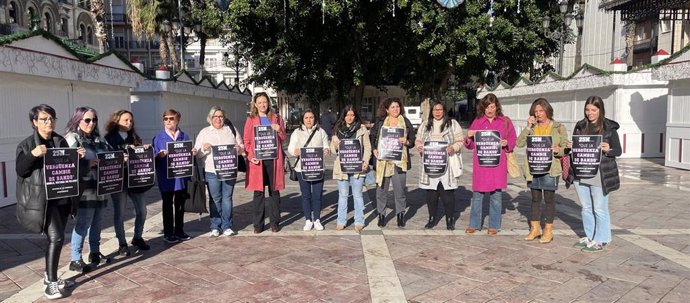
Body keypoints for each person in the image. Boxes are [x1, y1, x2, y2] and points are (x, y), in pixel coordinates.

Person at [16, 104, 82, 299]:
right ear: (34, 122)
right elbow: (21, 170)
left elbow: (70, 169)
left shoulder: (60, 141)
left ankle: (49, 276)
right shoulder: (27, 145)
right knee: (56, 238)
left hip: (62, 197)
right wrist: (33, 155)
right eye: (44, 119)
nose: (49, 122)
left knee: (58, 238)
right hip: (45, 201)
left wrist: (78, 157)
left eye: (52, 118)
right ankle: (51, 283)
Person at [569, 96, 621, 252]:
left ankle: (602, 238)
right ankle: (591, 236)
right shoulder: (580, 126)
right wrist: (571, 146)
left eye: (593, 110)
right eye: (587, 109)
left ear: (600, 110)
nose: (590, 113)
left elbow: (618, 150)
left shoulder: (609, 128)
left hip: (599, 174)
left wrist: (608, 149)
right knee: (586, 207)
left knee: (599, 208)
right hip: (581, 172)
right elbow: (576, 148)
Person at [65, 107, 113, 272]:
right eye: (87, 120)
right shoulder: (72, 138)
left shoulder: (99, 140)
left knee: (98, 222)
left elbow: (110, 156)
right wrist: (86, 163)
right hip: (84, 189)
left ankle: (94, 252)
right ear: (78, 120)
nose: (91, 123)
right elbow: (65, 163)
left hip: (101, 188)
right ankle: (75, 259)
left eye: (94, 120)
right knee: (83, 223)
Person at [516, 98, 569, 243]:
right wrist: (527, 127)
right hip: (533, 168)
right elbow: (519, 143)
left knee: (549, 199)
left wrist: (559, 150)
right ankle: (535, 228)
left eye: (541, 110)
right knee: (535, 199)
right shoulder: (532, 127)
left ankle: (548, 230)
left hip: (550, 168)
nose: (538, 114)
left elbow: (566, 147)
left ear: (547, 110)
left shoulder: (558, 127)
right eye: (535, 111)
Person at [464, 93, 516, 235]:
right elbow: (470, 145)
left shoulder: (505, 121)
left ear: (496, 107)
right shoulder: (478, 121)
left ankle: (494, 225)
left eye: (492, 107)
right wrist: (468, 137)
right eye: (487, 107)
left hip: (497, 165)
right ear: (483, 108)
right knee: (477, 197)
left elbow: (513, 138)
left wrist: (507, 143)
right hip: (481, 165)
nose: (489, 110)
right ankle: (474, 224)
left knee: (496, 197)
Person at [104, 110, 151, 256]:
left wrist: (144, 149)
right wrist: (122, 156)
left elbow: (139, 155)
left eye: (131, 120)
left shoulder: (134, 136)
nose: (129, 123)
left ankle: (137, 237)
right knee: (120, 213)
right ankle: (122, 243)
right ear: (116, 121)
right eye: (125, 120)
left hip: (135, 179)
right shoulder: (109, 138)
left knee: (142, 211)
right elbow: (107, 158)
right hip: (119, 179)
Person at [195, 106, 243, 237]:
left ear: (224, 118)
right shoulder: (204, 132)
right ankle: (215, 226)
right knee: (215, 199)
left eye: (221, 116)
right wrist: (204, 149)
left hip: (229, 170)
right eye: (215, 116)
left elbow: (242, 145)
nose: (218, 119)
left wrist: (238, 149)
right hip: (212, 171)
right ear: (210, 118)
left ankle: (227, 225)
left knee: (227, 198)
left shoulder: (231, 130)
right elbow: (197, 153)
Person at [415, 101, 464, 230]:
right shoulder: (425, 125)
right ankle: (432, 218)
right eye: (435, 110)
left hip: (447, 164)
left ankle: (450, 219)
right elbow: (418, 140)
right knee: (432, 193)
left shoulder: (453, 124)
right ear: (431, 111)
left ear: (444, 111)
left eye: (440, 110)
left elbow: (460, 141)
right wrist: (420, 147)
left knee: (447, 194)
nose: (437, 112)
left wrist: (453, 147)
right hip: (430, 163)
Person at [243, 92, 287, 233]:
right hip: (258, 162)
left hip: (273, 160)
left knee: (274, 192)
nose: (263, 105)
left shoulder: (276, 118)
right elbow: (246, 141)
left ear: (268, 103)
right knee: (258, 193)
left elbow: (284, 137)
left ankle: (275, 222)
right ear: (255, 104)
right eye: (260, 102)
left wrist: (279, 129)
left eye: (265, 102)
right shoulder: (251, 119)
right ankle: (258, 224)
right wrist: (250, 156)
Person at [370, 97, 416, 227]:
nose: (396, 109)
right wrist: (374, 149)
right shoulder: (380, 122)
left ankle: (400, 214)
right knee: (381, 191)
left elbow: (412, 139)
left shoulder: (405, 122)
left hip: (399, 162)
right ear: (387, 110)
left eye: (397, 106)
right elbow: (372, 137)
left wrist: (407, 142)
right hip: (383, 162)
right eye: (392, 107)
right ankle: (381, 215)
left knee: (400, 191)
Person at [152, 109, 195, 243]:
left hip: (181, 177)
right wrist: (159, 155)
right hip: (166, 177)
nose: (168, 121)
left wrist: (192, 152)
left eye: (171, 118)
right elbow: (152, 156)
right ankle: (168, 231)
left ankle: (180, 230)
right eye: (165, 119)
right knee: (167, 204)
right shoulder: (158, 137)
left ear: (177, 120)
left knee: (180, 205)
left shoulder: (184, 136)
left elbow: (189, 154)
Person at [288, 109, 330, 231]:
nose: (309, 120)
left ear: (315, 118)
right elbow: (291, 147)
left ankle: (317, 219)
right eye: (306, 118)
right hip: (302, 169)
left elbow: (326, 145)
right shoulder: (297, 132)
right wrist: (294, 151)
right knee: (306, 195)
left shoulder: (321, 131)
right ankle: (308, 219)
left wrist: (326, 150)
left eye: (311, 117)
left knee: (317, 195)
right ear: (302, 119)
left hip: (317, 168)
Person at [331, 105, 371, 232]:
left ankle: (359, 221)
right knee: (342, 195)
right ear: (343, 116)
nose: (350, 117)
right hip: (342, 168)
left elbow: (367, 147)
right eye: (347, 115)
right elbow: (332, 149)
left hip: (357, 167)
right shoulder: (337, 130)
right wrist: (336, 146)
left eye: (352, 115)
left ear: (355, 116)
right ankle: (341, 221)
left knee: (358, 195)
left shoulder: (362, 129)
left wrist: (365, 161)